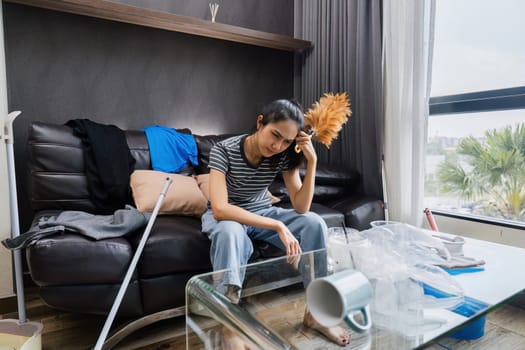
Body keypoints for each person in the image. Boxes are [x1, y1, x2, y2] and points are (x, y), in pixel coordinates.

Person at [201, 99, 350, 346]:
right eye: (275, 135)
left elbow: (301, 207)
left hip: (262, 211)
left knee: (314, 223)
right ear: (260, 123)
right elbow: (220, 208)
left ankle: (315, 315)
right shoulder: (223, 150)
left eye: (287, 142)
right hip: (229, 216)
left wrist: (311, 163)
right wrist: (278, 226)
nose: (278, 145)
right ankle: (228, 324)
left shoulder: (283, 156)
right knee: (228, 233)